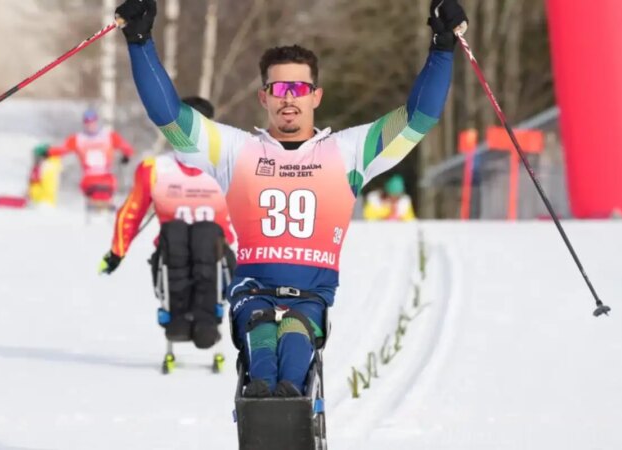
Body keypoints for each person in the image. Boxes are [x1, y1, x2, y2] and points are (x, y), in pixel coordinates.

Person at [114, 0, 466, 397]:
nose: (288, 98)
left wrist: (441, 48)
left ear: (315, 96)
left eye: (298, 88)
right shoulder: (234, 150)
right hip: (253, 292)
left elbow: (418, 118)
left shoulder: (349, 151)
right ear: (264, 97)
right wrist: (140, 42)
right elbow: (171, 117)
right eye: (278, 88)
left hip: (310, 297)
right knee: (262, 361)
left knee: (294, 356)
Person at [99, 96, 236, 349]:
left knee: (205, 234)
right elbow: (131, 212)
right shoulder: (156, 169)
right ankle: (179, 316)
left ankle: (207, 317)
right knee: (176, 232)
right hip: (172, 251)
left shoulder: (229, 165)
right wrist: (117, 252)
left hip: (216, 253)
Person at [48, 108, 135, 206]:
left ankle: (107, 211)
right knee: (95, 198)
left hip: (106, 176)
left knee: (106, 195)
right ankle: (94, 211)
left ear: (97, 122)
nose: (90, 125)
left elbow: (125, 146)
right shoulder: (78, 139)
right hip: (89, 178)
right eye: (87, 123)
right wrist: (47, 152)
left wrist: (126, 156)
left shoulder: (108, 136)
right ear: (84, 124)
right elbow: (62, 150)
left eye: (92, 122)